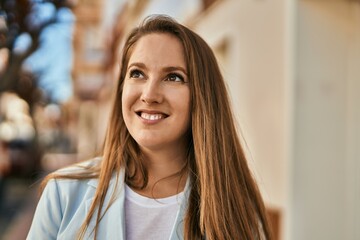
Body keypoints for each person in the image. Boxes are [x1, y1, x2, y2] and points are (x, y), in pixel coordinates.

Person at [27, 15, 272, 240]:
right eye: (137, 73)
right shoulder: (63, 194)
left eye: (173, 77)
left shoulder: (236, 210)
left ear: (203, 97)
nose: (149, 94)